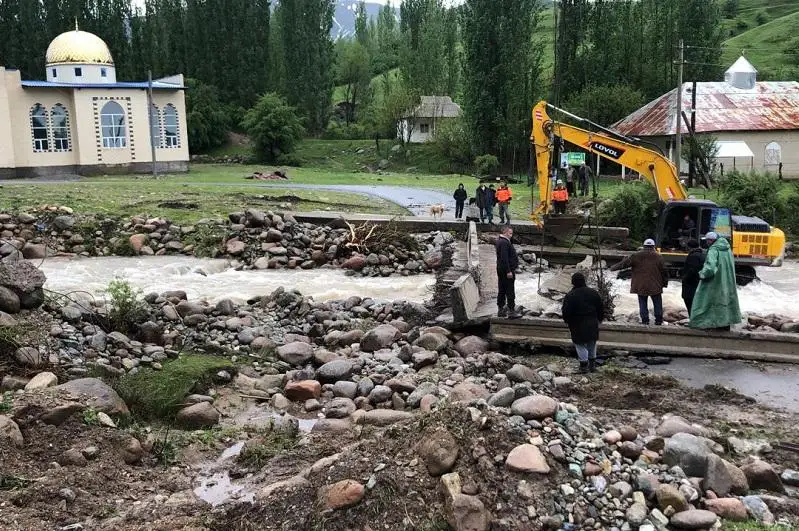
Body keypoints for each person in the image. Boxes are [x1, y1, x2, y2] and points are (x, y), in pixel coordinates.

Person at [689, 232, 742, 331]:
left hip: (715, 281)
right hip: (727, 280)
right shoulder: (727, 248)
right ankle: (725, 324)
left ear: (710, 241)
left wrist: (702, 274)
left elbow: (710, 267)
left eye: (707, 241)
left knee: (707, 302)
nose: (706, 243)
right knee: (725, 301)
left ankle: (705, 323)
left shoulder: (713, 250)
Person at [610, 239, 668, 325]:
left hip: (640, 284)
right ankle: (658, 321)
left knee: (642, 302)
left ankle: (645, 320)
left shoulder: (636, 255)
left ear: (644, 246)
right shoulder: (659, 257)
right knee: (657, 303)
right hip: (655, 285)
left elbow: (624, 264)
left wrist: (612, 268)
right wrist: (664, 283)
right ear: (653, 247)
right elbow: (664, 271)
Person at [562, 272, 605, 373]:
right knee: (592, 343)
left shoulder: (570, 295)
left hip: (577, 323)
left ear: (573, 282)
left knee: (580, 344)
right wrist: (600, 319)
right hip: (592, 321)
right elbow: (600, 308)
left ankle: (583, 366)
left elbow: (566, 311)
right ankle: (592, 366)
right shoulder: (593, 293)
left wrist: (567, 320)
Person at [495, 225, 520, 319]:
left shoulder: (500, 241)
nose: (511, 235)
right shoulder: (504, 243)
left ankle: (501, 310)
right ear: (505, 233)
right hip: (506, 271)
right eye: (510, 233)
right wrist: (509, 271)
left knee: (502, 289)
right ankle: (511, 311)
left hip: (501, 269)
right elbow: (504, 258)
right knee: (510, 290)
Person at [681, 239, 704, 316]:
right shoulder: (702, 254)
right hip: (697, 284)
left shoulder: (693, 256)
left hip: (690, 285)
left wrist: (684, 277)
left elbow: (692, 270)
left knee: (690, 303)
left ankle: (693, 319)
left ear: (689, 247)